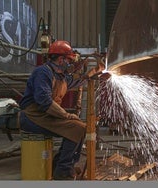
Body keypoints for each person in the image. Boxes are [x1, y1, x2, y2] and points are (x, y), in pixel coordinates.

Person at [19, 40, 105, 180]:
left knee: (82, 128)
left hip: (45, 115)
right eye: (69, 60)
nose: (70, 63)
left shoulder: (60, 76)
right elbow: (44, 102)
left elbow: (79, 80)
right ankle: (63, 170)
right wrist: (66, 116)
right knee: (77, 127)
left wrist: (96, 71)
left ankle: (61, 165)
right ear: (61, 59)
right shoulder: (43, 73)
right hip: (32, 117)